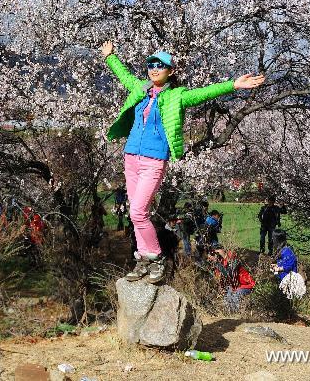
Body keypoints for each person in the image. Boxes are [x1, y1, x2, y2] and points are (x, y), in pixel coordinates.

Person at [101, 41, 265, 284]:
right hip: (131, 158)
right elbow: (123, 75)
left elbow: (204, 93)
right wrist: (110, 56)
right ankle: (143, 261)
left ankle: (155, 258)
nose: (154, 69)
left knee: (137, 211)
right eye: (151, 64)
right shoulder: (140, 88)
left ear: (171, 71)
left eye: (160, 65)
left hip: (153, 160)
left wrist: (234, 85)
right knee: (136, 215)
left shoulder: (177, 96)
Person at [208, 245, 255, 313]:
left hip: (246, 284)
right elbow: (221, 276)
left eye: (218, 250)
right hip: (234, 286)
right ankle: (230, 315)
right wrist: (215, 262)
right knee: (227, 297)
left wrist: (224, 255)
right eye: (215, 252)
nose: (217, 253)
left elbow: (231, 270)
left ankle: (237, 315)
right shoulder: (219, 263)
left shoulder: (231, 255)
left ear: (223, 249)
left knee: (236, 295)